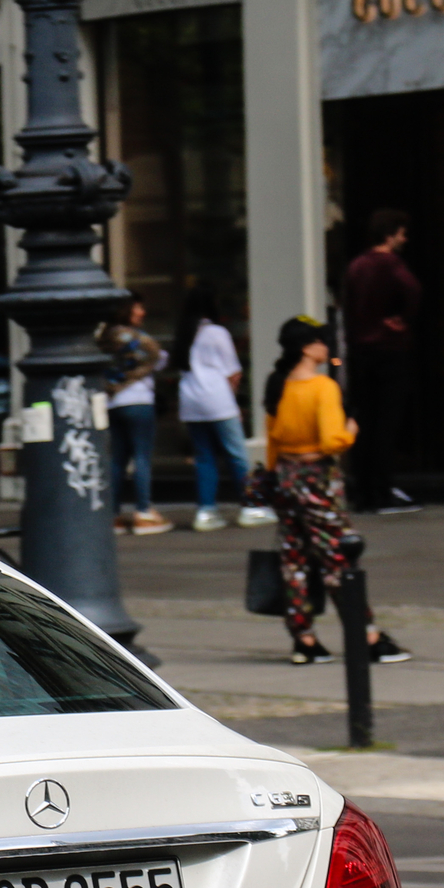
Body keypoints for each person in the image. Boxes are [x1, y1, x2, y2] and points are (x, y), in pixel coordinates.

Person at [258, 316, 407, 668]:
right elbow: (332, 440)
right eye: (322, 341)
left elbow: (272, 442)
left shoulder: (277, 385)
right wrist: (350, 429)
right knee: (338, 555)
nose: (326, 347)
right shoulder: (322, 387)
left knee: (293, 558)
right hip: (316, 478)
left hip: (285, 477)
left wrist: (273, 477)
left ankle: (304, 638)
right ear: (308, 347)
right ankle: (366, 634)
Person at [340, 209, 419, 514]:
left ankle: (362, 490)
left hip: (360, 349)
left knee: (363, 420)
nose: (404, 238)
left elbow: (347, 305)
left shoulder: (357, 266)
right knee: (387, 422)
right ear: (390, 234)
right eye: (400, 232)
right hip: (388, 349)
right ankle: (382, 489)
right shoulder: (392, 265)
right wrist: (402, 319)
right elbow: (413, 290)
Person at [173, 290, 251, 532]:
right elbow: (233, 372)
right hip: (217, 399)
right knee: (236, 454)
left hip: (190, 400)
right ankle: (251, 506)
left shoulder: (184, 333)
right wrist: (233, 402)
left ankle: (206, 510)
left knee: (204, 458)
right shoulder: (217, 332)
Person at [98, 293, 167, 535]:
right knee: (141, 457)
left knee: (117, 459)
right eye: (138, 309)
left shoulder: (104, 337)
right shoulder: (139, 340)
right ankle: (143, 512)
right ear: (127, 310)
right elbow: (159, 358)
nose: (142, 313)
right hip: (139, 400)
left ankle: (113, 514)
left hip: (113, 402)